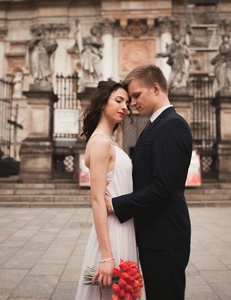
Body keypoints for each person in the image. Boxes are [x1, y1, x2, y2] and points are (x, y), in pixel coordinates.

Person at [108, 64, 193, 300]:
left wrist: (115, 204)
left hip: (165, 239)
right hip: (155, 236)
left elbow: (162, 188)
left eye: (136, 95)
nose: (132, 103)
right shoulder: (157, 124)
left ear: (156, 88)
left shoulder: (171, 125)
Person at [75, 80, 137, 299]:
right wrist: (107, 256)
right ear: (103, 103)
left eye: (127, 103)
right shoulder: (101, 142)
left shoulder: (108, 140)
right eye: (118, 100)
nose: (125, 107)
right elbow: (97, 200)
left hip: (124, 224)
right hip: (114, 232)